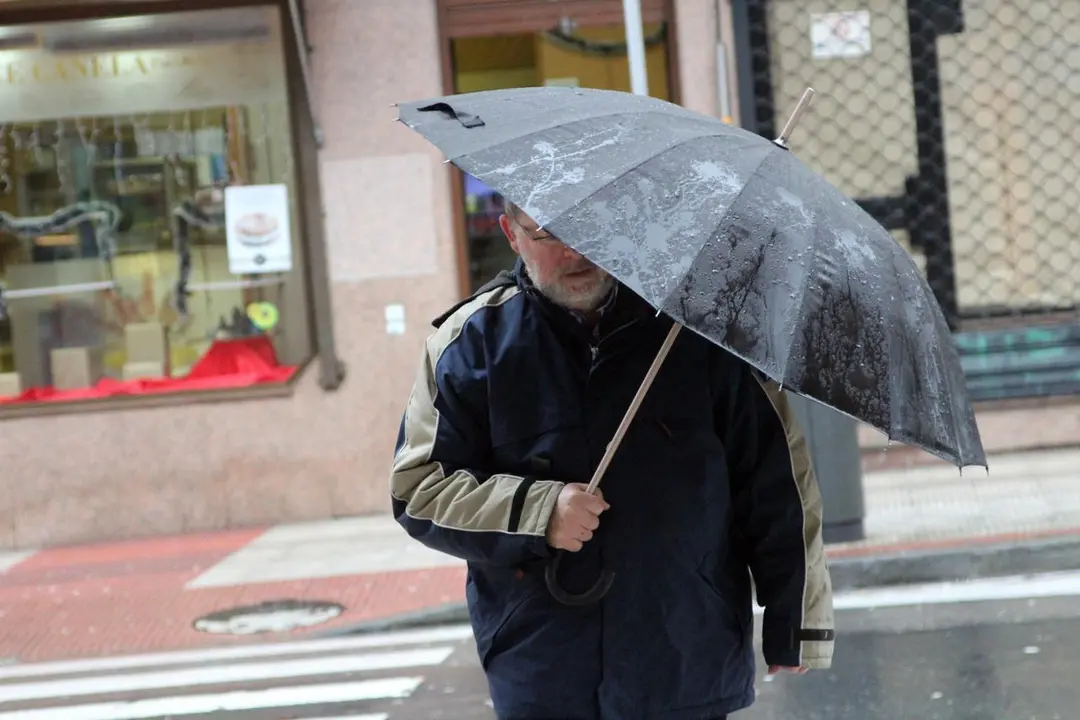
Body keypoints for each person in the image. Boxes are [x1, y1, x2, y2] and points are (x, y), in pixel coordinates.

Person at [390, 198, 835, 720]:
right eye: (548, 234)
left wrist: (795, 619)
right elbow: (419, 489)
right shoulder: (470, 345)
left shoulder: (699, 327)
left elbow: (777, 478)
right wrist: (539, 512)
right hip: (542, 661)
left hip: (688, 651)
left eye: (589, 227)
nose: (575, 252)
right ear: (511, 234)